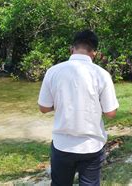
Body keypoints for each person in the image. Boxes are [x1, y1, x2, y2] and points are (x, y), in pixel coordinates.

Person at [38, 30, 119, 186]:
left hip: (62, 144)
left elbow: (44, 108)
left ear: (71, 49)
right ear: (95, 53)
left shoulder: (53, 71)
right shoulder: (102, 74)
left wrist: (63, 103)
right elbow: (110, 113)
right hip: (91, 145)